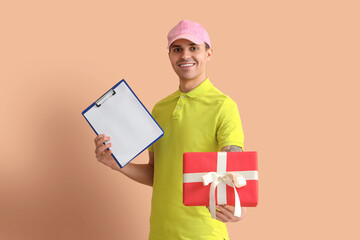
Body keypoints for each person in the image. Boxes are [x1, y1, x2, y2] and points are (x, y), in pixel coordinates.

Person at [94, 19, 246, 240]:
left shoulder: (224, 106)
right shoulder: (160, 109)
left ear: (209, 53)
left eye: (193, 48)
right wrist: (117, 165)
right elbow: (158, 173)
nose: (185, 55)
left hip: (204, 234)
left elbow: (236, 168)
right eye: (177, 49)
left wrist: (239, 208)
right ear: (169, 55)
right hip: (160, 233)